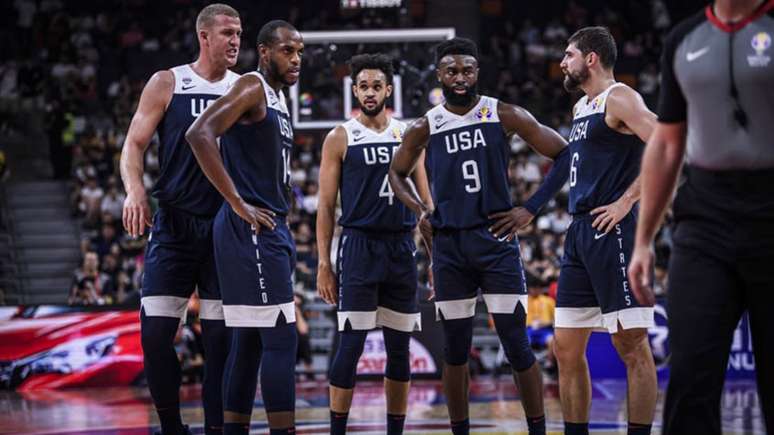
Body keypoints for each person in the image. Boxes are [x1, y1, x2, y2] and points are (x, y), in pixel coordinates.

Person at [389, 37, 571, 435]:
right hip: (450, 247)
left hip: (496, 242)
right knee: (455, 352)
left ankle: (537, 428)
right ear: (440, 74)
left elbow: (564, 154)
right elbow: (396, 172)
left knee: (516, 345)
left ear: (477, 73)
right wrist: (420, 209)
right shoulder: (426, 124)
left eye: (467, 70)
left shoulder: (503, 114)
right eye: (451, 70)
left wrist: (530, 208)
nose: (460, 77)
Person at [628, 1, 774, 434]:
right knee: (690, 374)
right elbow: (668, 145)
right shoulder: (683, 39)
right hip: (705, 220)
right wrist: (643, 240)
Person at [118, 4, 241, 434]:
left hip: (224, 226)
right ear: (204, 37)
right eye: (227, 32)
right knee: (154, 337)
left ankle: (214, 429)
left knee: (220, 343)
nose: (235, 40)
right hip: (173, 223)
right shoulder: (168, 81)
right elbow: (133, 145)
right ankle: (172, 426)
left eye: (239, 33)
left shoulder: (245, 88)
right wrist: (135, 190)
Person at [186, 20, 303, 435]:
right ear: (265, 51)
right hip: (251, 230)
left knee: (251, 344)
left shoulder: (278, 99)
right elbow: (200, 132)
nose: (296, 59)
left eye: (300, 52)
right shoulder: (252, 86)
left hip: (269, 229)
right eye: (288, 51)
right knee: (280, 339)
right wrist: (237, 202)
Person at [316, 53, 433, 435]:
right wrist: (324, 264)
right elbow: (325, 207)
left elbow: (427, 204)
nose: (369, 92)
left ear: (388, 89)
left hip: (401, 248)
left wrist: (436, 259)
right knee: (350, 347)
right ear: (354, 90)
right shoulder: (340, 136)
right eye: (363, 86)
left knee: (399, 350)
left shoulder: (409, 134)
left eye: (376, 86)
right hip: (359, 247)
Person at [553, 27, 658, 435]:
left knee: (630, 344)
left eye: (569, 55)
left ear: (591, 58)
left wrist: (626, 201)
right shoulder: (583, 107)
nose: (563, 62)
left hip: (612, 229)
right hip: (579, 232)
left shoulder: (621, 97)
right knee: (565, 348)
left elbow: (665, 145)